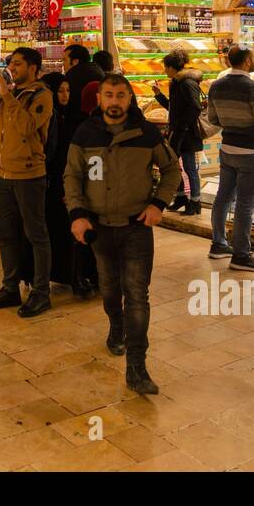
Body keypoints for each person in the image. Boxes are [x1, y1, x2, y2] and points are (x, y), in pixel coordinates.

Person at [66, 74, 180, 395]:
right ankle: (115, 325)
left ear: (130, 99)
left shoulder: (146, 133)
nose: (114, 101)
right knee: (109, 287)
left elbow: (171, 169)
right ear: (99, 99)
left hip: (136, 228)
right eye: (109, 95)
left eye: (121, 95)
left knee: (138, 295)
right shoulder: (84, 134)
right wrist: (77, 214)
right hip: (100, 228)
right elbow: (72, 176)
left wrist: (159, 203)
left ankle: (137, 367)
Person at [0, 47, 54, 317]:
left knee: (36, 235)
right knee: (5, 234)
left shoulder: (42, 95)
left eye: (18, 64)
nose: (13, 68)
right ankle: (10, 287)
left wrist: (7, 95)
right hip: (3, 175)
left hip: (30, 176)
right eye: (11, 63)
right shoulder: (10, 95)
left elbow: (26, 127)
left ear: (33, 68)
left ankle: (41, 292)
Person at [205, 45, 254, 272]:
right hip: (251, 152)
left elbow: (213, 118)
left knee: (223, 198)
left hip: (228, 149)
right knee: (245, 205)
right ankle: (241, 255)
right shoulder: (252, 87)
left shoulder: (216, 85)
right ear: (246, 61)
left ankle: (218, 244)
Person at [41, 72, 97, 297]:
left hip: (66, 184)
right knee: (62, 233)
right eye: (60, 91)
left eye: (68, 91)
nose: (65, 95)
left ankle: (76, 275)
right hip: (55, 185)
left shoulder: (72, 118)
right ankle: (71, 277)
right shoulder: (52, 117)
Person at [153, 49, 205, 215]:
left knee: (190, 168)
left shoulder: (187, 83)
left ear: (171, 67)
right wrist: (158, 95)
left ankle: (195, 202)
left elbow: (195, 107)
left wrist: (182, 126)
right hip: (177, 132)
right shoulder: (175, 82)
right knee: (174, 166)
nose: (164, 70)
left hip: (187, 133)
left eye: (165, 67)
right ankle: (181, 197)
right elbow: (173, 107)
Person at [62, 44, 104, 131]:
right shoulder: (98, 71)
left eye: (65, 60)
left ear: (75, 61)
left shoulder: (72, 78)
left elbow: (71, 108)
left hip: (79, 128)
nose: (63, 64)